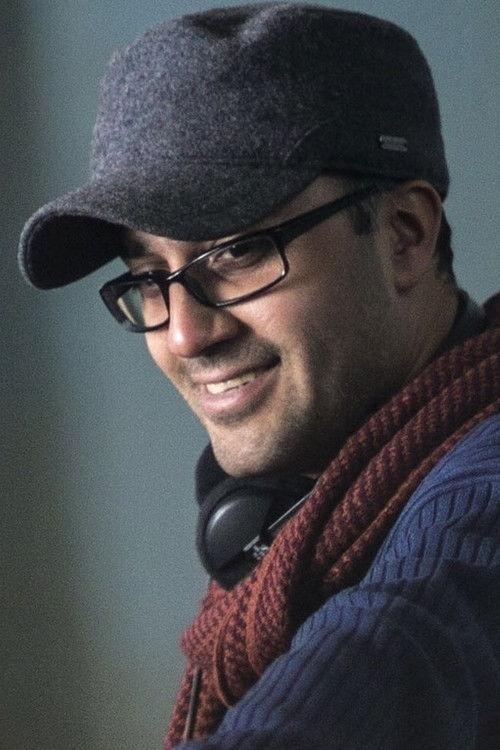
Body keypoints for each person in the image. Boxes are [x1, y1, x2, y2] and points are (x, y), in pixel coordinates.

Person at [19, 3, 499, 749]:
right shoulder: (307, 518)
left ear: (405, 235)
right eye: (148, 279)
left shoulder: (476, 509)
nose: (186, 334)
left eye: (237, 253)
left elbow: (401, 635)